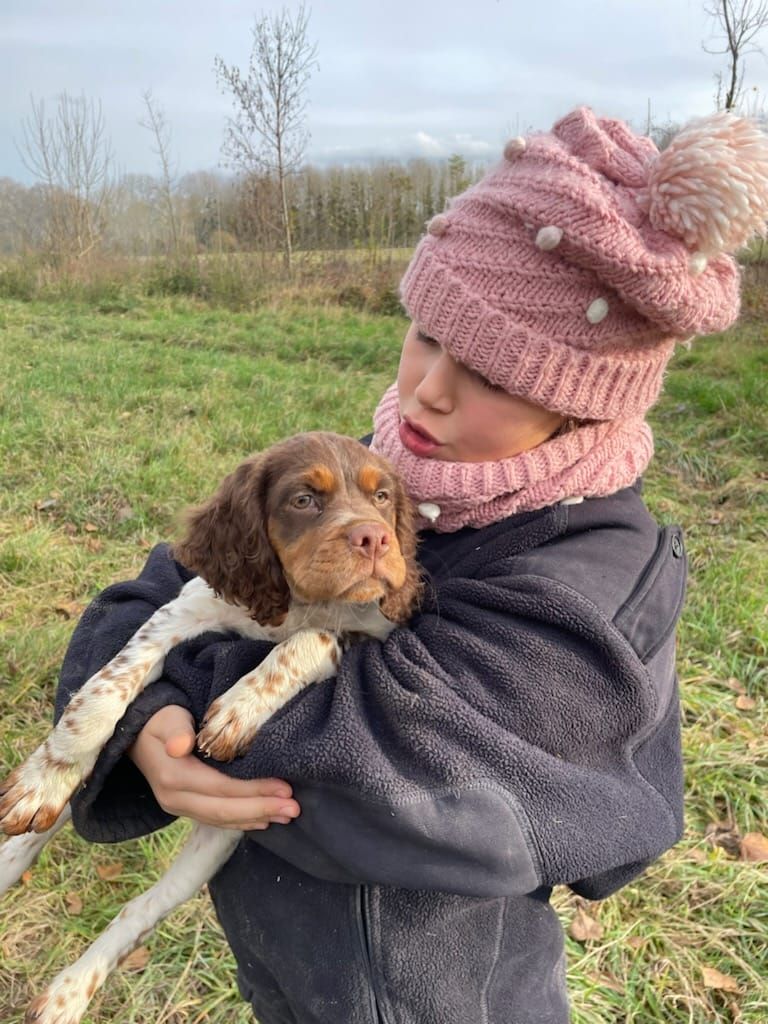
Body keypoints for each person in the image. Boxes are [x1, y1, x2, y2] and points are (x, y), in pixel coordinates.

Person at [56, 107, 768, 1023]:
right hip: (285, 966)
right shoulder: (376, 474)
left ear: (581, 409)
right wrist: (144, 715)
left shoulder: (592, 575)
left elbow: (386, 759)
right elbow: (166, 589)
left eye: (496, 375)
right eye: (427, 334)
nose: (429, 387)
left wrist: (172, 673)